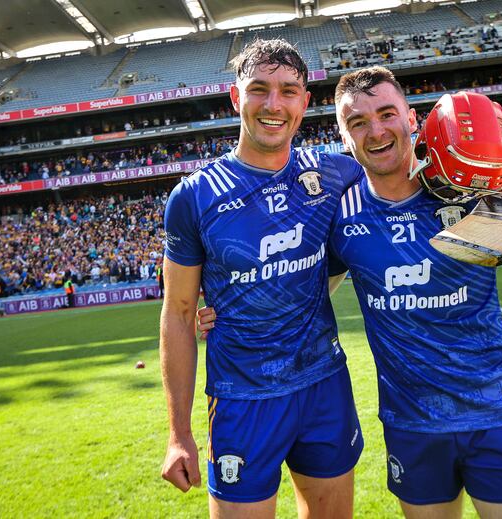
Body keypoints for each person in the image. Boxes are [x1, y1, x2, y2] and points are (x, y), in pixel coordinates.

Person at [200, 66, 502, 518]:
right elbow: (304, 290)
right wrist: (226, 311)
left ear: (412, 119)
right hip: (412, 427)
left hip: (497, 416)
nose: (376, 130)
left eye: (387, 114)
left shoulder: (471, 197)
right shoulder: (341, 216)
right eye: (358, 122)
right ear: (343, 137)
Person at [160, 38, 366, 518]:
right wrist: (178, 433)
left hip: (324, 387)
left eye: (289, 90)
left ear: (304, 103)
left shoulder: (337, 175)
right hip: (242, 400)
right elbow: (179, 311)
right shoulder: (194, 197)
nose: (274, 105)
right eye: (259, 89)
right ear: (236, 98)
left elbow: (403, 176)